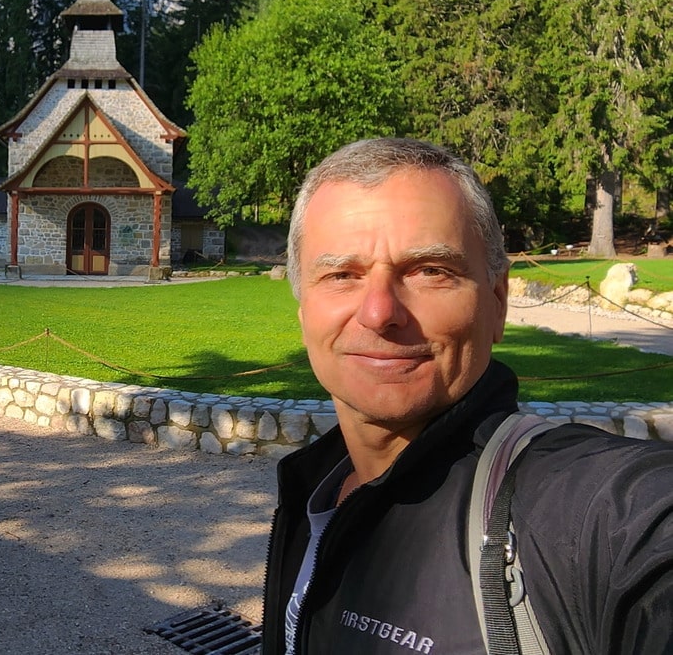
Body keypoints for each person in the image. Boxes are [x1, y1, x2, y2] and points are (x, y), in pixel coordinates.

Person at [264, 137, 673, 654]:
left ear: (497, 301)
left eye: (431, 271)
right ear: (304, 316)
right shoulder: (313, 489)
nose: (379, 312)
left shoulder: (592, 512)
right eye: (341, 275)